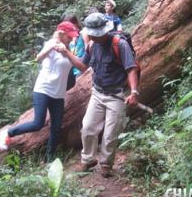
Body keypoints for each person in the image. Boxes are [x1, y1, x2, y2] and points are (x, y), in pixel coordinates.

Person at [58, 12, 139, 177]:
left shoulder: (119, 44)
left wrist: (134, 92)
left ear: (105, 31)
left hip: (116, 95)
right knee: (87, 128)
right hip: (97, 93)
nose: (95, 37)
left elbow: (131, 68)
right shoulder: (92, 45)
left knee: (110, 133)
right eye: (93, 34)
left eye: (98, 34)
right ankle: (87, 160)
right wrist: (66, 53)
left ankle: (106, 165)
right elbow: (82, 66)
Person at [0, 21, 81, 163]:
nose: (72, 38)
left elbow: (76, 63)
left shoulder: (69, 48)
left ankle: (49, 159)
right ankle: (8, 132)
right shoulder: (51, 43)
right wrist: (52, 48)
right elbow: (38, 58)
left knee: (56, 127)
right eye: (69, 35)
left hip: (58, 94)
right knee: (38, 123)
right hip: (43, 89)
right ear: (62, 34)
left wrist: (65, 51)